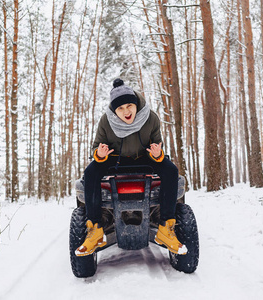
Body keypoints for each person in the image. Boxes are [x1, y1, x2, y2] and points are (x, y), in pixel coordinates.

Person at [75, 79, 187, 257]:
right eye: (120, 108)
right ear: (114, 110)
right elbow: (96, 147)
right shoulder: (106, 121)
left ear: (136, 103)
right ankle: (95, 230)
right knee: (90, 172)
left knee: (171, 170)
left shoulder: (150, 118)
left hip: (144, 157)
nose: (126, 111)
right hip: (114, 159)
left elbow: (157, 144)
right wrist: (100, 154)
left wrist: (157, 154)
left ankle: (166, 228)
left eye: (129, 105)